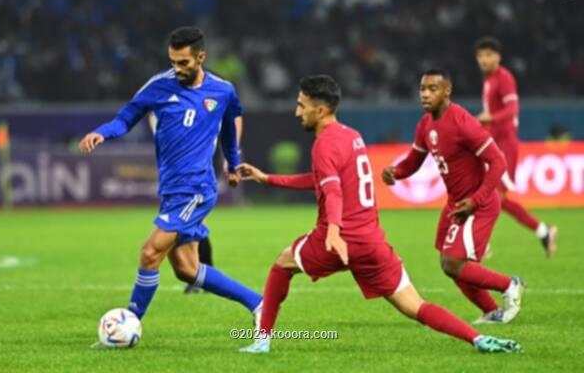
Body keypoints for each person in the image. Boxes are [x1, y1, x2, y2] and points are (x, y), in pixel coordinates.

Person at [237, 75, 522, 354]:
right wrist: (268, 178)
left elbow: (332, 191)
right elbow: (322, 180)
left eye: (301, 105)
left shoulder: (323, 144)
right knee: (416, 306)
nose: (297, 112)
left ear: (320, 110)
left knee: (282, 264)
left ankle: (262, 341)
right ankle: (478, 339)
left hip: (339, 239)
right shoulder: (353, 136)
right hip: (372, 243)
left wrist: (334, 231)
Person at [79, 26, 262, 326]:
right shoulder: (159, 86)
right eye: (173, 62)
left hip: (197, 188)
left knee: (150, 252)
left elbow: (230, 128)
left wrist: (233, 163)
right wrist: (102, 132)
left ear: (201, 57)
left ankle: (129, 323)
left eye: (183, 62)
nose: (177, 68)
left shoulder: (223, 91)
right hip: (171, 190)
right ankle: (258, 303)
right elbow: (126, 118)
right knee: (187, 269)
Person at [382, 69, 526, 325]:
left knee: (453, 263)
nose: (425, 94)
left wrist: (476, 200)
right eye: (422, 89)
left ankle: (510, 284)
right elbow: (413, 162)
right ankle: (491, 311)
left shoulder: (462, 122)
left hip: (479, 204)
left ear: (447, 91)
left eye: (432, 89)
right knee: (450, 265)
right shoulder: (425, 124)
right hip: (456, 204)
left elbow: (498, 161)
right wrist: (395, 172)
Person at [475, 37, 557, 257]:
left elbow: (512, 109)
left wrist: (490, 117)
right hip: (493, 143)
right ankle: (544, 231)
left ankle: (481, 244)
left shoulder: (504, 78)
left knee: (494, 195)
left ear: (498, 57)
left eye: (488, 55)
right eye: (480, 56)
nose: (484, 60)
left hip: (505, 146)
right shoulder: (488, 80)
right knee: (496, 198)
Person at [148, 110, 244, 294]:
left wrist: (231, 154)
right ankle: (202, 275)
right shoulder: (163, 96)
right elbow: (153, 116)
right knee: (192, 220)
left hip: (202, 160)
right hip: (177, 162)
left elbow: (234, 118)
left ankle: (201, 275)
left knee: (194, 219)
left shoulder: (215, 94)